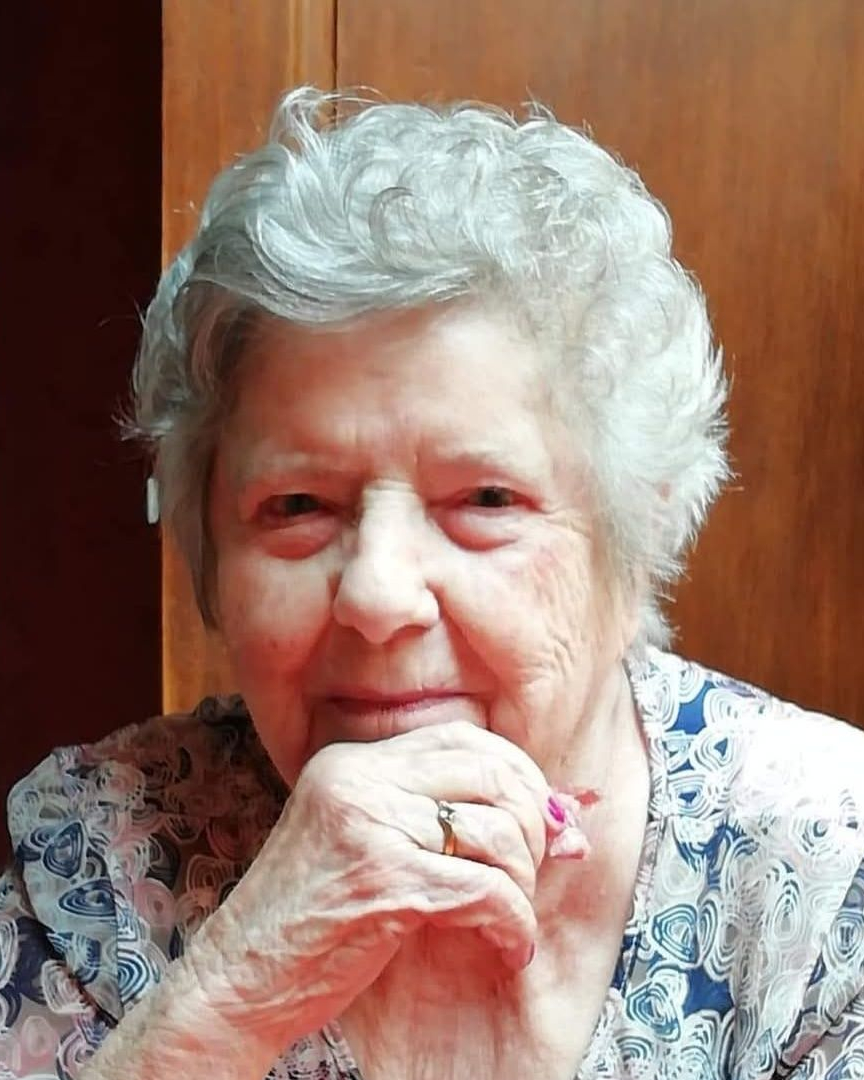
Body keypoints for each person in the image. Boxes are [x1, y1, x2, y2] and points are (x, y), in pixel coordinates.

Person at [1, 86, 863, 1080]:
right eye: (297, 506)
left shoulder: (818, 871)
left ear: (634, 546)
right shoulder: (105, 859)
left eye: (485, 499)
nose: (377, 595)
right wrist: (229, 1000)